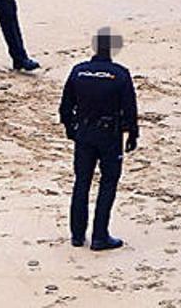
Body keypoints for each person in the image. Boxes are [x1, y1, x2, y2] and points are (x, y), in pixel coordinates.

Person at [59, 27, 139, 250]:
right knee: (108, 183)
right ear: (113, 49)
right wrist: (132, 133)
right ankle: (99, 236)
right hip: (109, 135)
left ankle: (77, 235)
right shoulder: (120, 74)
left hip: (84, 132)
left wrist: (69, 128)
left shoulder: (79, 71)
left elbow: (65, 105)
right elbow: (129, 108)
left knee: (81, 182)